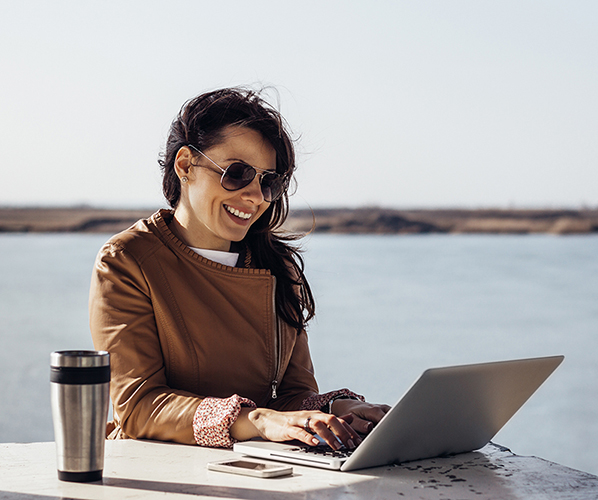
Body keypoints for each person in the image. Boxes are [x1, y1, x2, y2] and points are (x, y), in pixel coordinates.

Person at [89, 87, 389, 451]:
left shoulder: (279, 268)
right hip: (162, 470)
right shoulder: (126, 260)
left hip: (261, 472)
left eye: (269, 181)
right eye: (237, 173)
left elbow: (292, 396)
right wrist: (260, 420)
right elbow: (139, 408)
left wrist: (335, 409)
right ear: (185, 165)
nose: (254, 196)